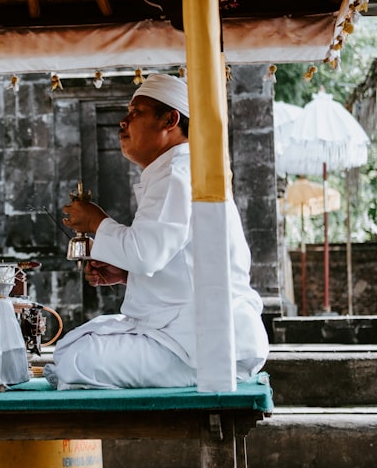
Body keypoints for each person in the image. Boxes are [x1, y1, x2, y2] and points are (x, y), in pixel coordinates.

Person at [43, 74, 269, 390]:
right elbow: (175, 262)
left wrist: (97, 222)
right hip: (194, 335)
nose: (123, 122)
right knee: (72, 346)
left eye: (136, 113)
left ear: (170, 120)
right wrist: (126, 275)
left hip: (205, 344)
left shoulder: (178, 172)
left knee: (79, 356)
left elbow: (145, 254)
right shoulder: (177, 169)